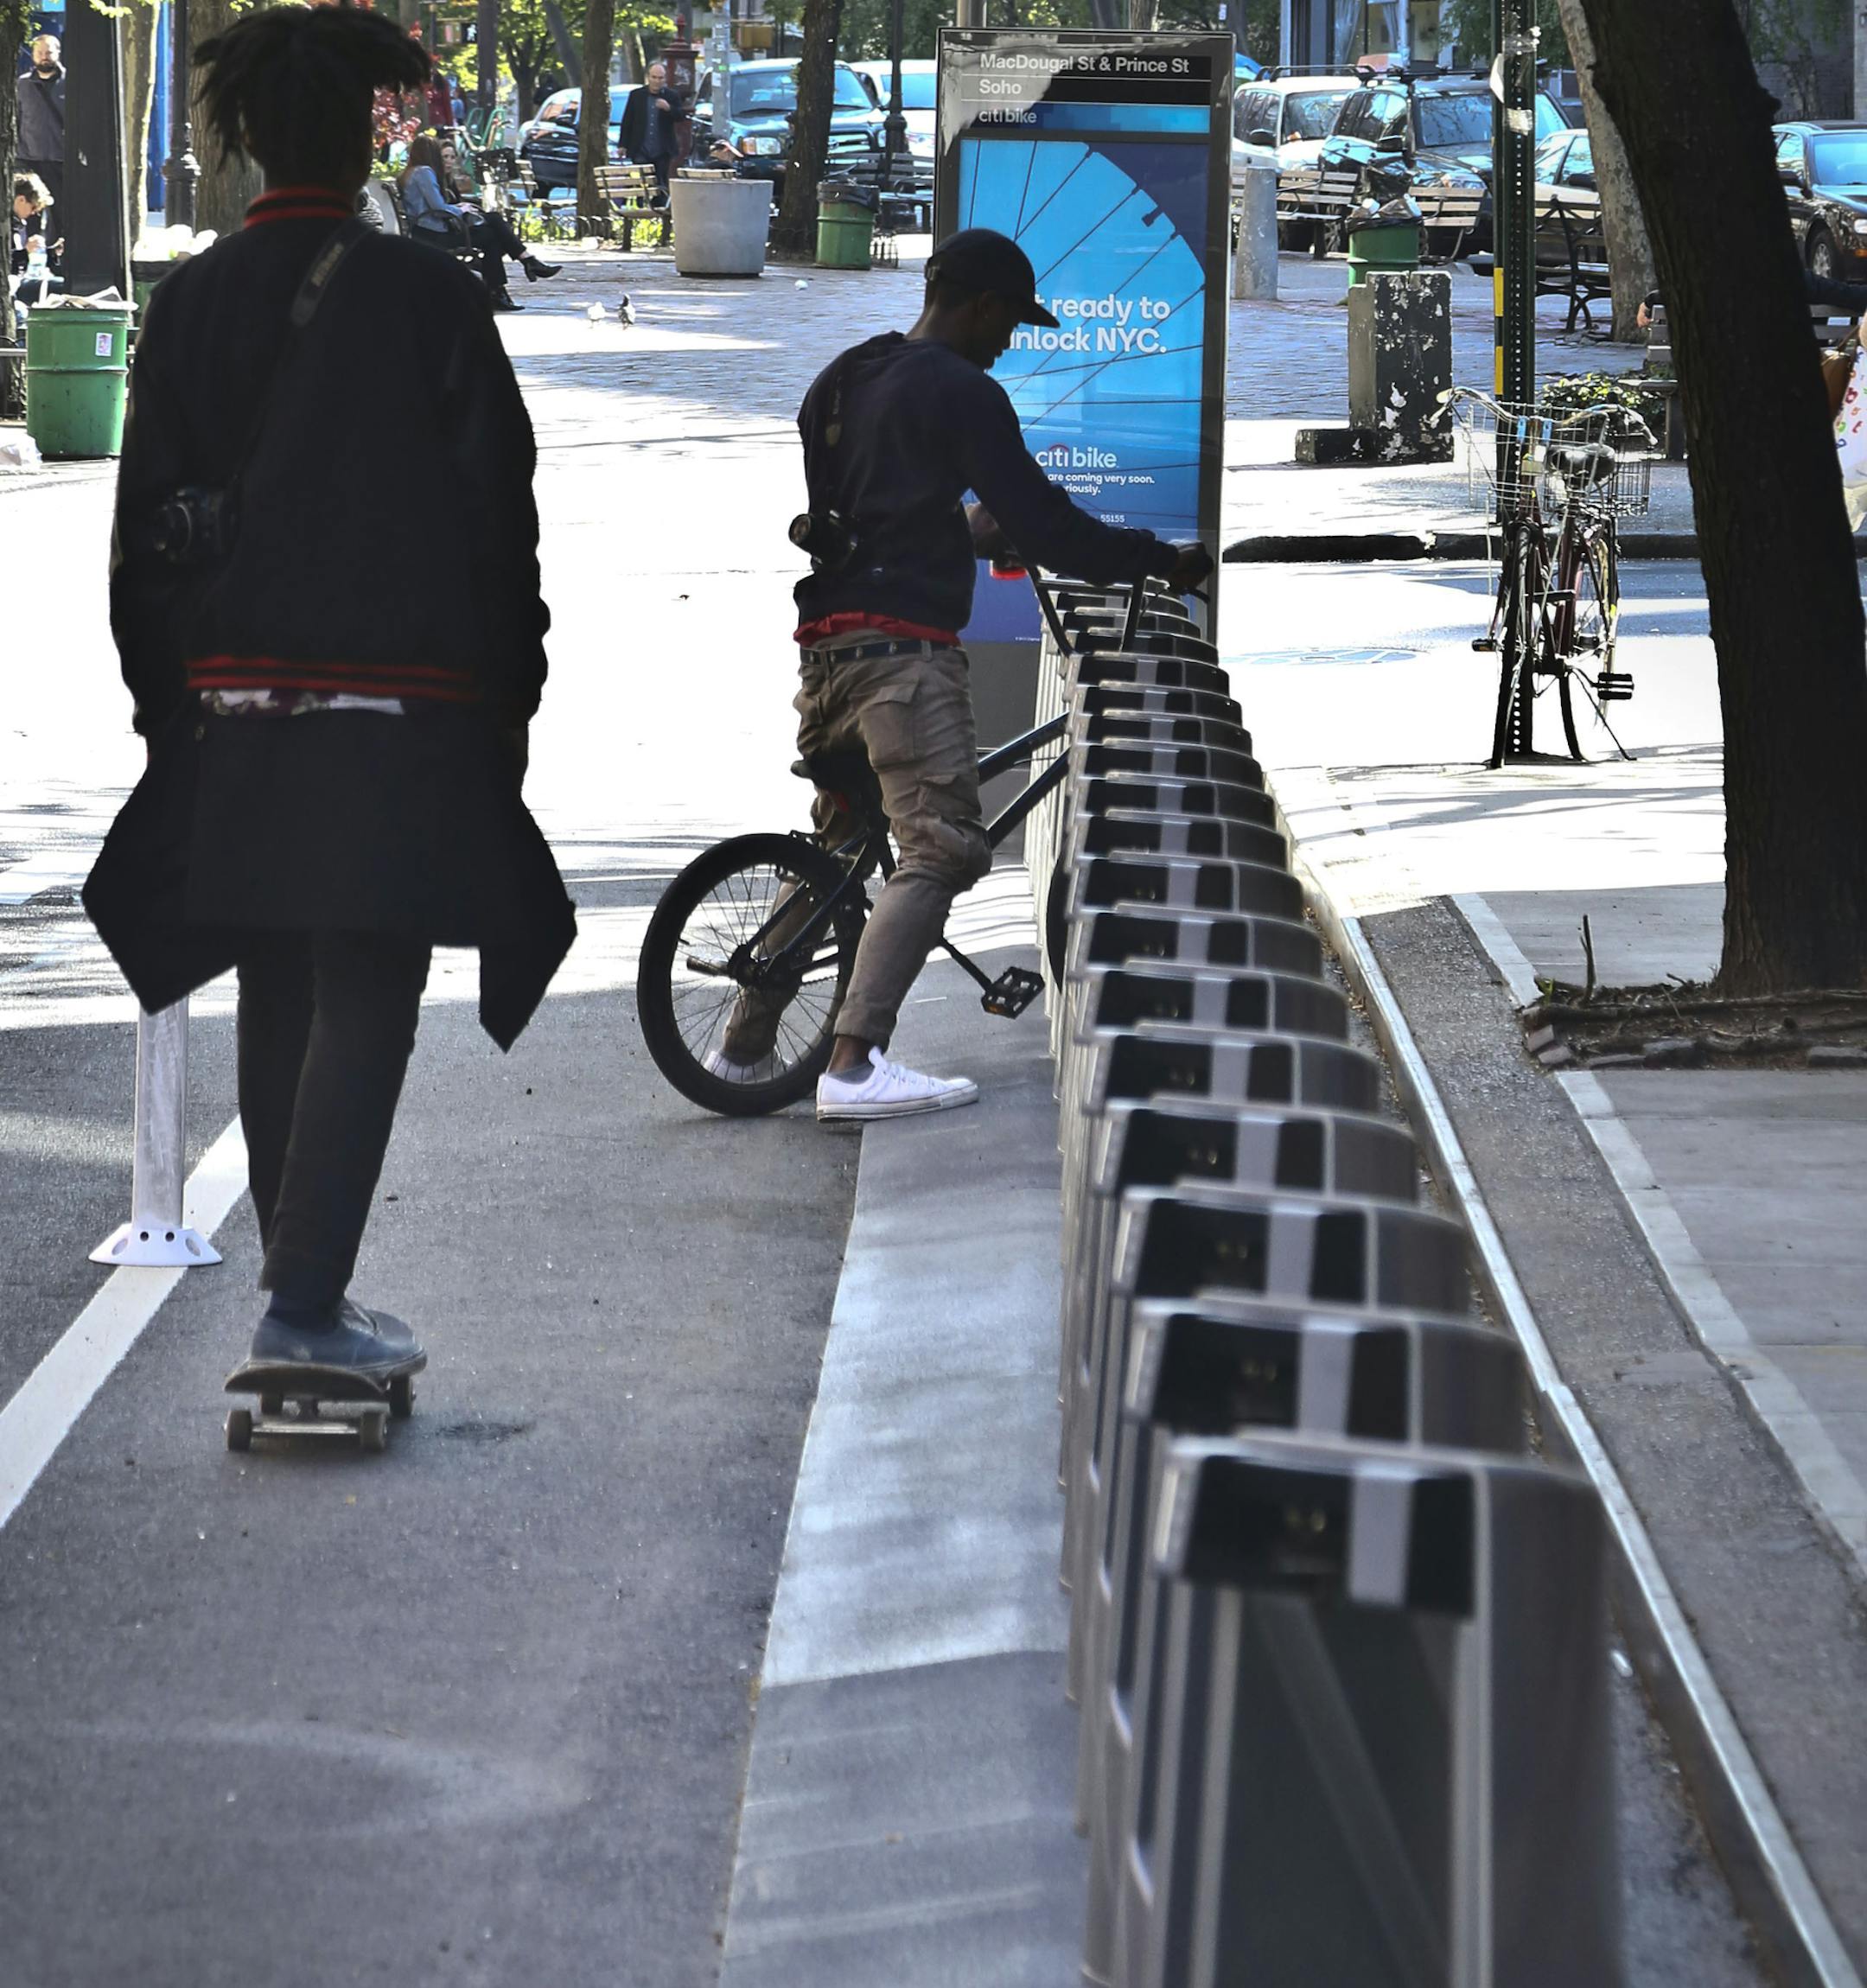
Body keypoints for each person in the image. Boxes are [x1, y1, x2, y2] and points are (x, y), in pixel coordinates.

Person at [86, 2, 576, 1386]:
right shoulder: (431, 298)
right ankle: (304, 1304)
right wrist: (508, 706)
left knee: (277, 971)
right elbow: (502, 526)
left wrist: (168, 716)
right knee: (370, 971)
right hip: (402, 710)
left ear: (245, 140)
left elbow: (140, 542)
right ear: (366, 138)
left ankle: (299, 1290)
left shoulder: (186, 306)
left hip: (234, 707)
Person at [719, 227, 1210, 1122]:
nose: (1009, 343)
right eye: (1010, 323)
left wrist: (971, 534)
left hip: (826, 652)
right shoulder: (964, 391)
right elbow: (1048, 523)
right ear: (981, 306)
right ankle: (854, 1065)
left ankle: (741, 1049)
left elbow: (876, 519)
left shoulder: (841, 377)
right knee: (940, 846)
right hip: (903, 661)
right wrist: (1154, 559)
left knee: (841, 844)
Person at [399, 131, 558, 310]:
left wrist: (458, 207)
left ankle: (510, 280)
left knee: (494, 232)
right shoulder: (424, 172)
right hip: (434, 234)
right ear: (430, 152)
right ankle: (518, 270)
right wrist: (460, 209)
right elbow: (438, 208)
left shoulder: (410, 173)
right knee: (494, 233)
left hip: (425, 231)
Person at [619, 61, 681, 195]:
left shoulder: (671, 96)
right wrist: (623, 144)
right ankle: (640, 204)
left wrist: (669, 108)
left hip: (662, 150)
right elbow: (628, 120)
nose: (657, 81)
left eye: (660, 78)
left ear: (665, 79)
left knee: (660, 185)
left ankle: (660, 206)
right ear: (648, 77)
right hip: (640, 148)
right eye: (654, 77)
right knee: (640, 183)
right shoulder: (636, 95)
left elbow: (680, 116)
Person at [16, 33, 65, 207]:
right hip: (28, 160)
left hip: (61, 160)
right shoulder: (22, 84)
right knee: (29, 211)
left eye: (49, 52)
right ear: (33, 55)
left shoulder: (71, 83)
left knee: (61, 211)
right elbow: (16, 120)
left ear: (58, 53)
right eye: (40, 53)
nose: (44, 57)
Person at [10, 172, 61, 335]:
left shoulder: (18, 225)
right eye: (33, 208)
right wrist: (25, 252)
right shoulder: (7, 225)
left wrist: (51, 253)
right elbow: (6, 263)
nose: (33, 213)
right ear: (21, 200)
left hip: (15, 287)